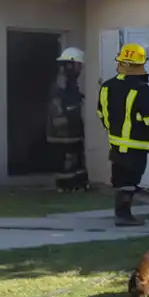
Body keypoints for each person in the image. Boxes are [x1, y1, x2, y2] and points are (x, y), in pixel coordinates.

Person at [96, 43, 149, 226]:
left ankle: (120, 213)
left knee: (120, 180)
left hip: (115, 146)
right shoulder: (142, 90)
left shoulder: (106, 87)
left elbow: (102, 114)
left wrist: (114, 131)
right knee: (130, 181)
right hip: (136, 147)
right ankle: (124, 216)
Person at [47, 47, 89, 192]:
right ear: (70, 64)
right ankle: (66, 186)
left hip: (71, 129)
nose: (80, 69)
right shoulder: (62, 81)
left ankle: (77, 185)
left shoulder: (69, 80)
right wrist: (73, 107)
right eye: (79, 65)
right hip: (62, 131)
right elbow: (58, 105)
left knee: (76, 157)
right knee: (66, 159)